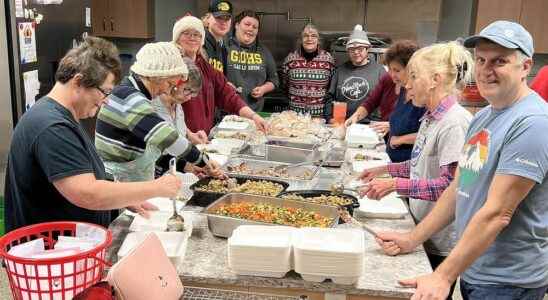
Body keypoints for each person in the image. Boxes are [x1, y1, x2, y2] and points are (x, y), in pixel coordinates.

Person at [373, 21, 548, 300]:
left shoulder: (533, 123)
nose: (486, 69)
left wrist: (443, 275)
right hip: (474, 267)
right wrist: (412, 239)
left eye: (500, 61)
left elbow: (497, 214)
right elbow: (459, 187)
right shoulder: (484, 116)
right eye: (481, 60)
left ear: (525, 66)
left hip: (508, 281)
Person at [4, 37, 182, 232]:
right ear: (78, 81)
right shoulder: (51, 126)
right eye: (105, 92)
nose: (106, 101)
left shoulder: (60, 116)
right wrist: (157, 187)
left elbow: (83, 175)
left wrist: (123, 199)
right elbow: (87, 193)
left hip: (71, 246)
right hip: (50, 253)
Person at [359, 41, 474, 299]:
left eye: (413, 77)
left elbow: (448, 186)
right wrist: (385, 169)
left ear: (435, 79)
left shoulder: (454, 124)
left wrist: (394, 184)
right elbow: (422, 164)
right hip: (422, 228)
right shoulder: (431, 117)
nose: (406, 85)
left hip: (440, 240)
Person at [95, 41, 223, 184]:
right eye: (169, 84)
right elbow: (167, 138)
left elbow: (154, 151)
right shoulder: (130, 98)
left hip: (133, 183)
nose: (167, 91)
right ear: (154, 76)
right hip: (119, 183)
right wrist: (204, 161)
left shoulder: (133, 93)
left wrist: (187, 166)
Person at [173, 15, 268, 137]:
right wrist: (188, 135)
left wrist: (253, 116)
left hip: (203, 137)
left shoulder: (204, 65)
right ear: (177, 37)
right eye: (186, 33)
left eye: (197, 34)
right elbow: (165, 110)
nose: (192, 38)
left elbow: (227, 94)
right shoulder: (172, 66)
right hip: (181, 138)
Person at [345, 40, 426, 162]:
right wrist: (355, 116)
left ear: (412, 69)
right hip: (392, 157)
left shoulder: (422, 97)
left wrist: (399, 138)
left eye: (397, 70)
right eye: (390, 69)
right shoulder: (397, 83)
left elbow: (429, 135)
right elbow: (371, 102)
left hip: (411, 161)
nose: (392, 75)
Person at [324, 24, 386, 122]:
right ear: (348, 51)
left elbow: (387, 98)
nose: (356, 52)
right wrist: (329, 118)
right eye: (352, 49)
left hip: (370, 124)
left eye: (360, 49)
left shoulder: (379, 71)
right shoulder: (340, 71)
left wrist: (383, 121)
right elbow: (329, 97)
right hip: (343, 123)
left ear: (367, 49)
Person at [225, 10, 279, 112]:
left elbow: (274, 81)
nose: (251, 29)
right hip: (226, 111)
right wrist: (225, 85)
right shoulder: (224, 47)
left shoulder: (263, 51)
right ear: (237, 25)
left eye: (255, 27)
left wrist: (263, 89)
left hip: (254, 112)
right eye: (247, 24)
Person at [280, 23, 335, 117]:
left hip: (319, 117)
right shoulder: (290, 59)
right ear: (301, 40)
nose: (309, 39)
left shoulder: (328, 60)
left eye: (313, 36)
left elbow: (331, 88)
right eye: (305, 36)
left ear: (318, 40)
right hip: (295, 116)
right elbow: (284, 85)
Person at [203, 0, 233, 73]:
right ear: (207, 19)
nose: (223, 22)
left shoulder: (224, 47)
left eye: (227, 18)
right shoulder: (199, 42)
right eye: (219, 17)